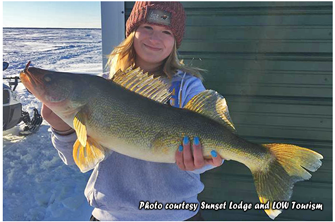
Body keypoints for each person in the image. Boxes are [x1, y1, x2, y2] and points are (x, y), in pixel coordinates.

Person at [42, 2, 227, 221]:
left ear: (175, 42)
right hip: (111, 216)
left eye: (166, 32)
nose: (155, 38)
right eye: (147, 27)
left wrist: (202, 163)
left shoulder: (189, 87)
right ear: (132, 33)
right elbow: (77, 160)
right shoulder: (101, 89)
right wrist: (61, 128)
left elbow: (214, 148)